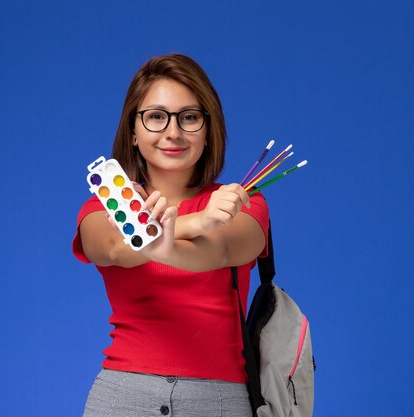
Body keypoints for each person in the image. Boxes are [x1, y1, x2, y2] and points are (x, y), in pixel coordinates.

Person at [72, 53, 269, 417]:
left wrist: (168, 242)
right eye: (156, 117)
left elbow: (220, 251)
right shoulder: (102, 207)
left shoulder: (240, 202)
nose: (173, 132)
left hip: (219, 401)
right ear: (132, 131)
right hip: (123, 397)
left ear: (209, 131)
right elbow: (116, 248)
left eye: (190, 117)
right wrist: (195, 223)